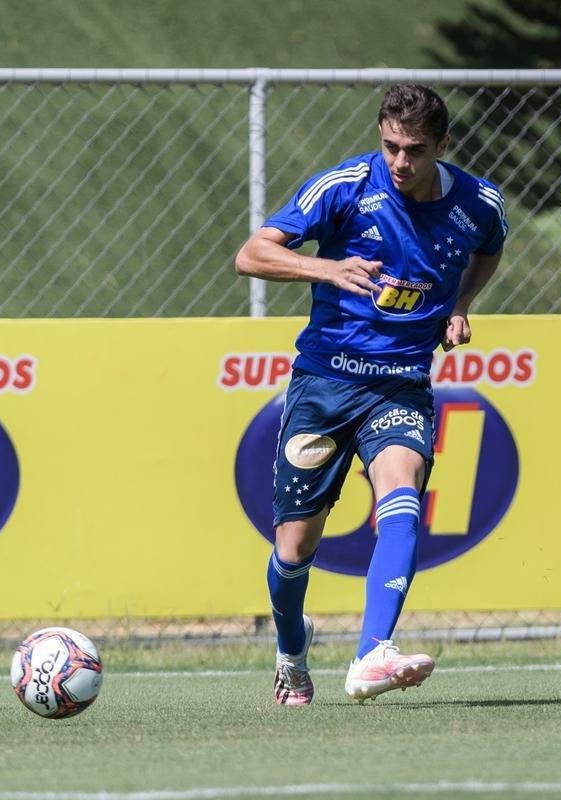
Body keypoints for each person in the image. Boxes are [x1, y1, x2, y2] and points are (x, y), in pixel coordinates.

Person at [234, 84, 507, 705]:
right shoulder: (346, 187)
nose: (400, 162)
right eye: (390, 146)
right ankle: (290, 647)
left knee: (403, 489)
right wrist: (326, 268)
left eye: (415, 150)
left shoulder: (478, 203)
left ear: (444, 144)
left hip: (401, 384)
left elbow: (489, 249)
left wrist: (461, 303)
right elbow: (250, 255)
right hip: (325, 385)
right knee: (294, 549)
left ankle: (371, 654)